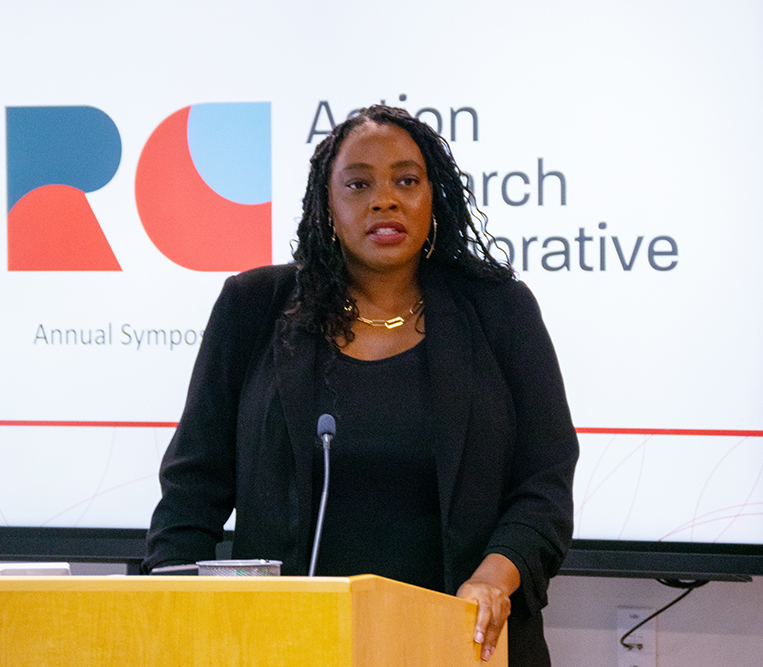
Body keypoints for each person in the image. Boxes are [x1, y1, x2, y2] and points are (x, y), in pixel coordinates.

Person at [142, 105, 578, 666]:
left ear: (433, 197)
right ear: (327, 205)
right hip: (289, 645)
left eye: (406, 180)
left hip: (460, 642)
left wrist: (493, 579)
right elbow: (190, 493)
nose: (384, 199)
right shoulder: (254, 308)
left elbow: (544, 483)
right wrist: (173, 625)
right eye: (358, 184)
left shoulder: (498, 311)